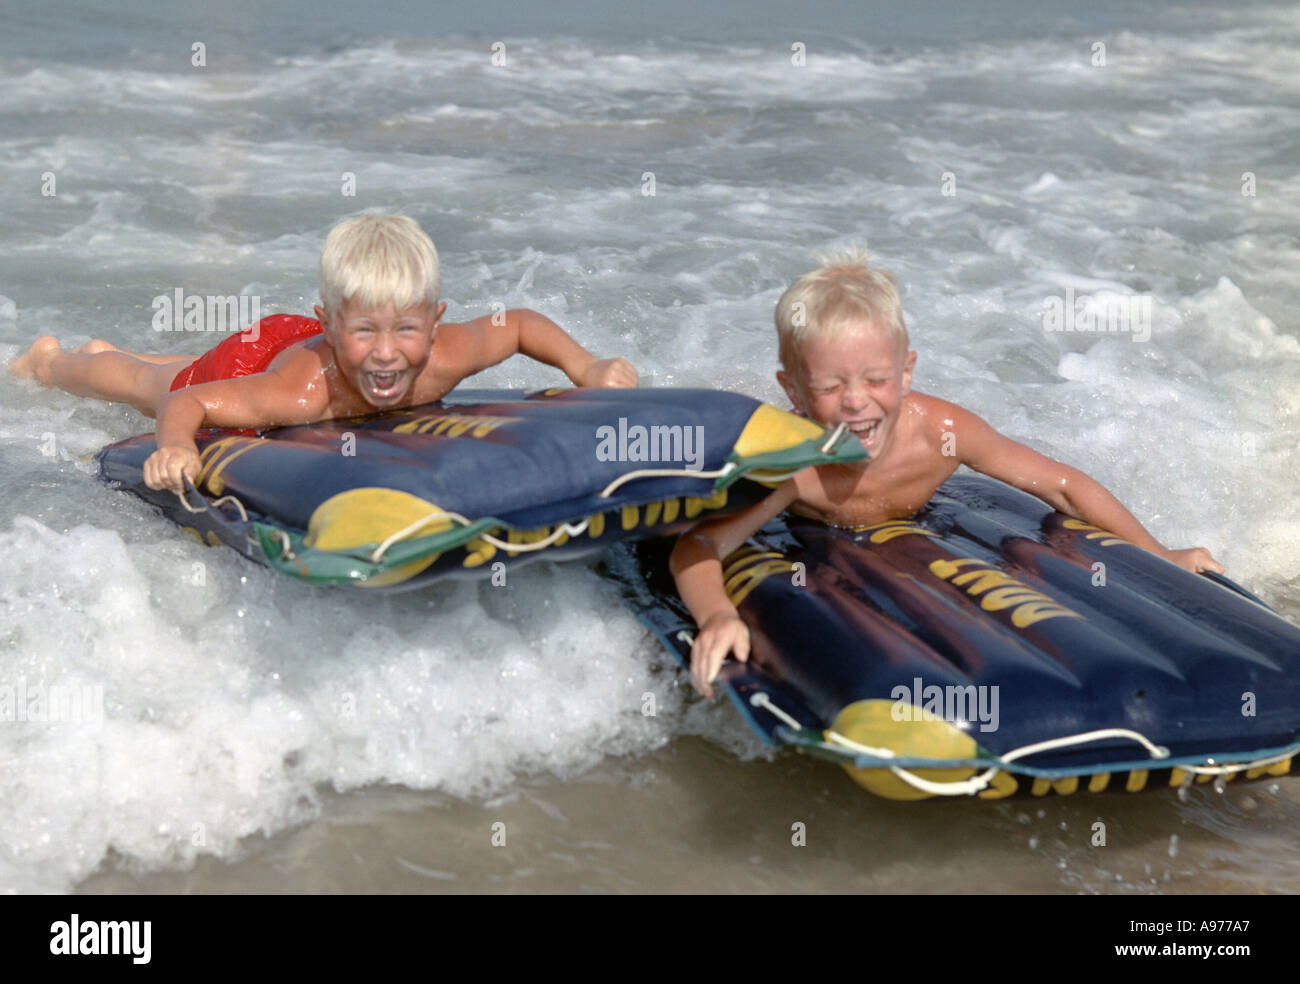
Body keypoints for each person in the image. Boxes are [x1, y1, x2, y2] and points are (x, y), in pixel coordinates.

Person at [670, 246, 1224, 698]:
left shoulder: (941, 433)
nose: (857, 403)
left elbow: (1064, 486)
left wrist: (1157, 554)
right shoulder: (792, 464)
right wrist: (717, 615)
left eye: (876, 379)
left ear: (906, 373)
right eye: (830, 387)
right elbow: (699, 545)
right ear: (792, 390)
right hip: (812, 536)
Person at [10, 214, 637, 491]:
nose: (388, 356)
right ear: (332, 328)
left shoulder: (445, 352)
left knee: (169, 372)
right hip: (258, 365)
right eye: (367, 333)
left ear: (435, 320)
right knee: (148, 383)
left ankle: (98, 348)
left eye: (406, 332)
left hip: (300, 342)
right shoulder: (302, 395)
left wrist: (587, 367)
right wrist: (174, 445)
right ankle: (55, 361)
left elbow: (520, 324)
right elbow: (189, 400)